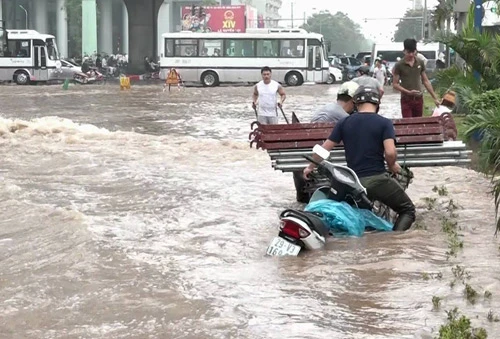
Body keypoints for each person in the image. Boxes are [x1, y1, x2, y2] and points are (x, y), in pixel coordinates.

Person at [302, 86, 416, 231]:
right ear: (377, 104)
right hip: (377, 180)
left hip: (353, 183)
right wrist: (393, 165)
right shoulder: (384, 123)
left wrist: (310, 167)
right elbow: (390, 152)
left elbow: (324, 148)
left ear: (356, 103)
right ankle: (393, 242)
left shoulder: (344, 122)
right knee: (407, 210)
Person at [293, 81, 360, 203]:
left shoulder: (324, 109)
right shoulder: (345, 118)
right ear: (353, 101)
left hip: (304, 159)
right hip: (322, 159)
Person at [392, 38, 440, 118]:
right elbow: (395, 84)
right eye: (408, 52)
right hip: (406, 100)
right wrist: (407, 92)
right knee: (408, 124)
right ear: (404, 51)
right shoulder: (399, 65)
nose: (411, 55)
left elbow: (425, 81)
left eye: (413, 52)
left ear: (416, 51)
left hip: (418, 99)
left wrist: (435, 98)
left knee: (418, 123)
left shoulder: (420, 62)